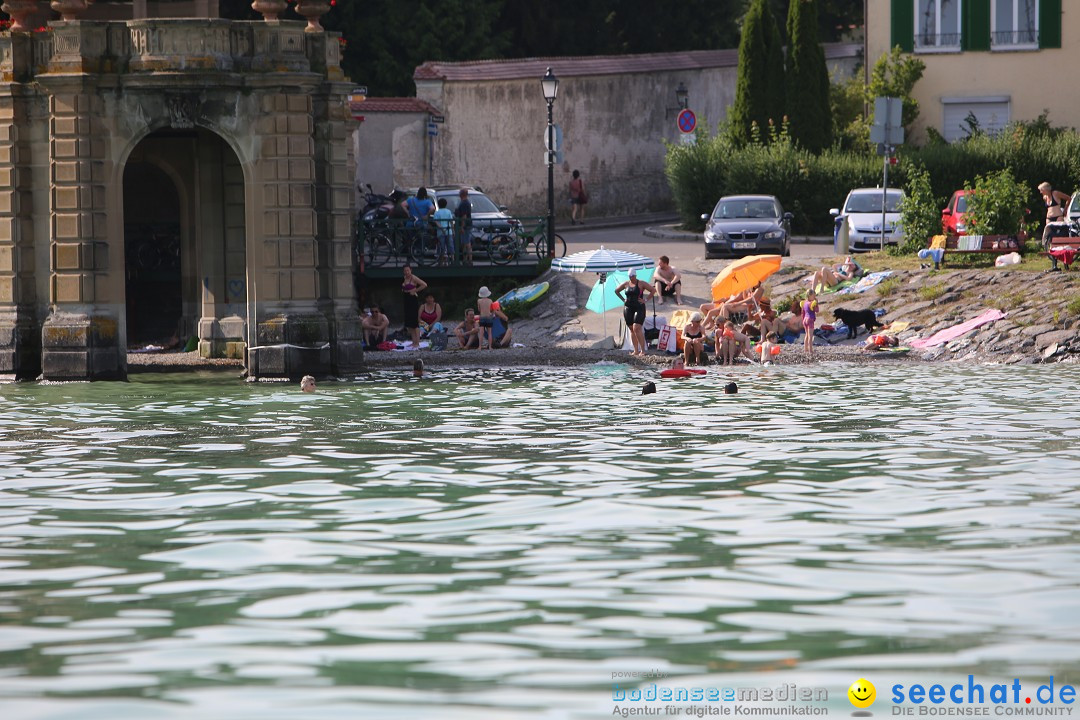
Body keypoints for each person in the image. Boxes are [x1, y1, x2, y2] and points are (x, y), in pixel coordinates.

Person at [615, 269, 654, 356]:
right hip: (628, 308)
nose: (631, 278)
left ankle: (643, 350)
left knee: (637, 327)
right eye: (630, 276)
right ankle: (636, 350)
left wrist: (645, 300)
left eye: (632, 276)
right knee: (632, 329)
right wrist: (623, 299)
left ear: (635, 275)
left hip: (639, 307)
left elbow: (652, 290)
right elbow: (616, 291)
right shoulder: (626, 284)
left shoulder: (641, 283)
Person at [1039, 181, 1071, 251]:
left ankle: (1063, 248)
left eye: (1041, 190)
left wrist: (1065, 210)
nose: (1041, 192)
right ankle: (1052, 249)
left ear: (1046, 189)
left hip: (1058, 216)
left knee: (1060, 233)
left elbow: (1068, 198)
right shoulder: (1045, 197)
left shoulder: (1055, 193)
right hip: (1049, 218)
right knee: (1050, 233)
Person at [401, 265, 427, 348]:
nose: (406, 272)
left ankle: (417, 342)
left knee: (415, 322)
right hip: (406, 299)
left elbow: (424, 284)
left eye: (408, 270)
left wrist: (415, 290)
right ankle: (413, 341)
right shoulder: (405, 277)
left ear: (411, 270)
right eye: (405, 271)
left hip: (413, 300)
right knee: (409, 322)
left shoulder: (414, 278)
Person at [454, 188, 473, 265]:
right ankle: (465, 260)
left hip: (465, 226)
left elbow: (464, 215)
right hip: (467, 225)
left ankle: (469, 260)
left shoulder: (464, 203)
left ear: (462, 194)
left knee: (467, 243)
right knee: (465, 243)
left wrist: (462, 226)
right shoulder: (466, 203)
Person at [434, 197, 454, 266]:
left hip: (440, 232)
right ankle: (453, 260)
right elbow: (451, 221)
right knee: (450, 246)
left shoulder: (437, 213)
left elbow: (436, 222)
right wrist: (453, 230)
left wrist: (441, 228)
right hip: (449, 231)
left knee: (442, 247)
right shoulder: (448, 211)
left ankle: (441, 262)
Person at [477, 286, 495, 350]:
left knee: (481, 333)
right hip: (489, 317)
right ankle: (490, 347)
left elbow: (479, 309)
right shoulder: (490, 300)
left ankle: (479, 347)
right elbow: (492, 309)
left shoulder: (479, 301)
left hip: (482, 317)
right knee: (490, 333)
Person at [802, 288, 818, 355]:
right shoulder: (811, 303)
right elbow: (816, 310)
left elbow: (803, 312)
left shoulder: (804, 303)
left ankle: (805, 349)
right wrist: (816, 303)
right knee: (810, 336)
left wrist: (803, 320)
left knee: (806, 335)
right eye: (814, 296)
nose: (815, 297)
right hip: (810, 319)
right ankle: (811, 350)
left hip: (805, 319)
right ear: (810, 295)